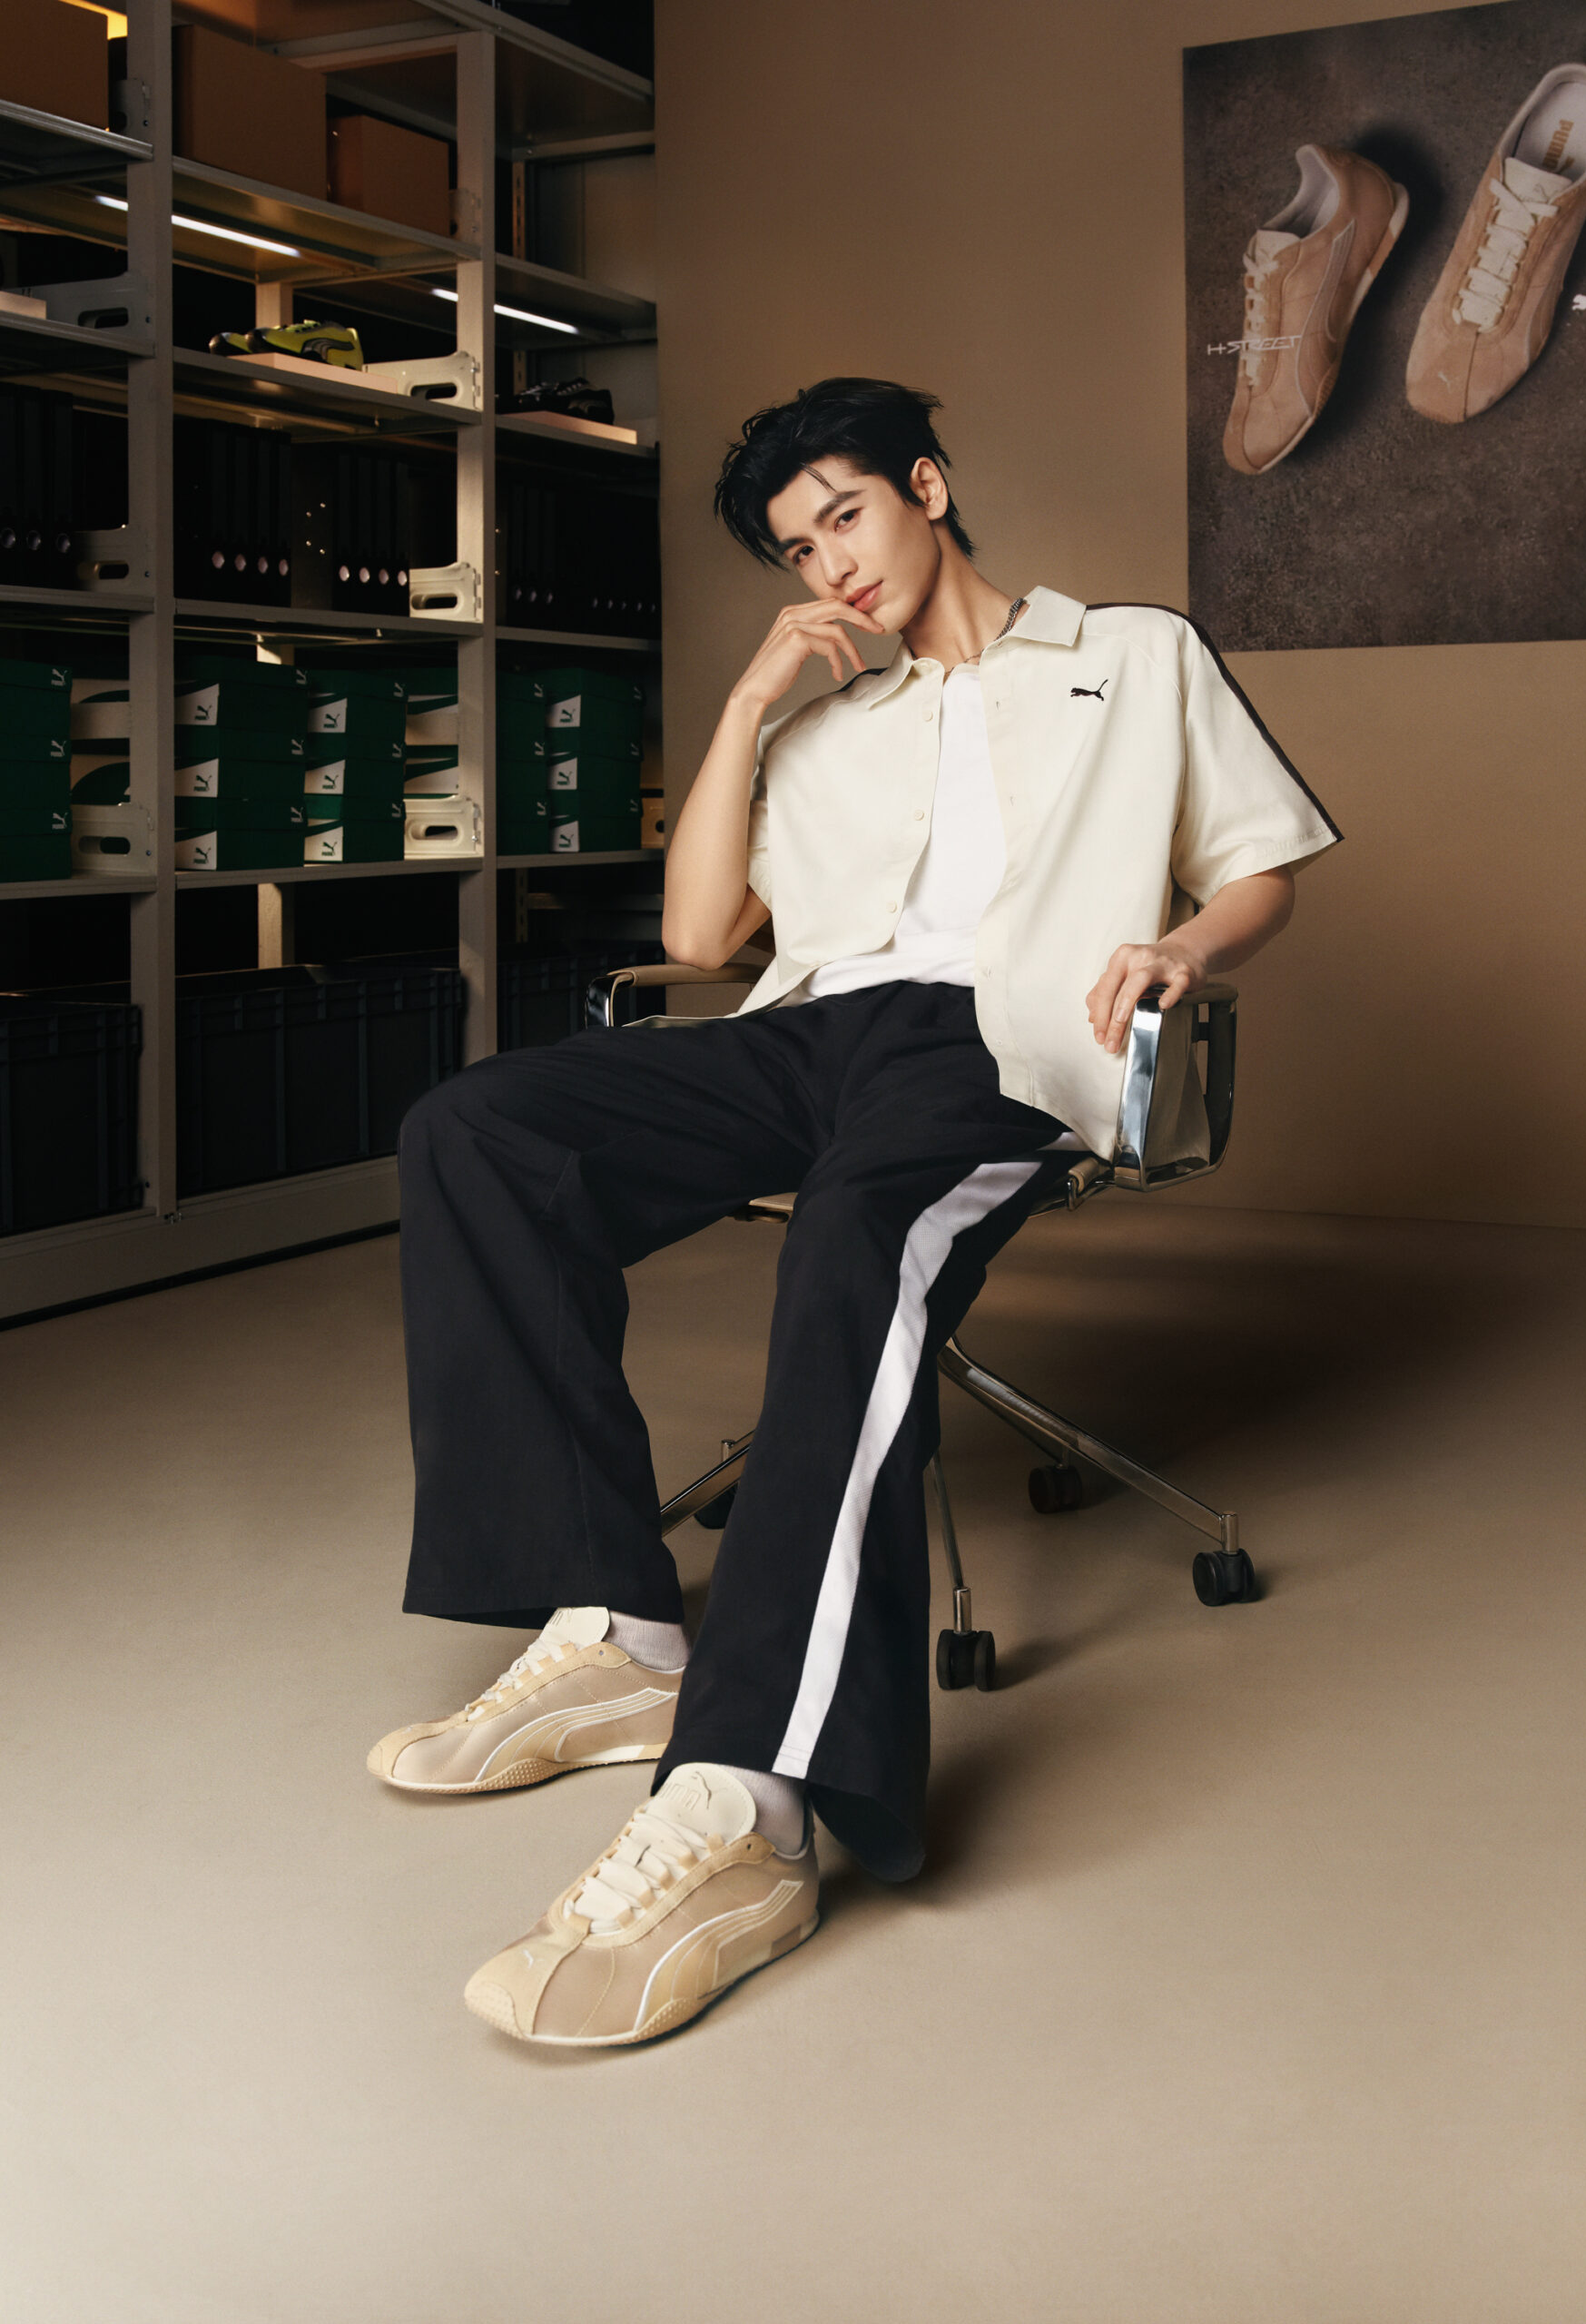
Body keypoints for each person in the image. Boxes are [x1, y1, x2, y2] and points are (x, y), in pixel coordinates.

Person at [374, 378, 1340, 2049]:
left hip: (1006, 1042)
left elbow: (1260, 863)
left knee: (852, 1239)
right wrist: (754, 702)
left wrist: (1183, 948)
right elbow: (700, 944)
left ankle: (752, 1801)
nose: (832, 566)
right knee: (475, 1132)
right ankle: (616, 1623)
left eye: (846, 516)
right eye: (797, 550)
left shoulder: (1132, 655)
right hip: (809, 1036)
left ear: (927, 487)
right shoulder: (827, 716)